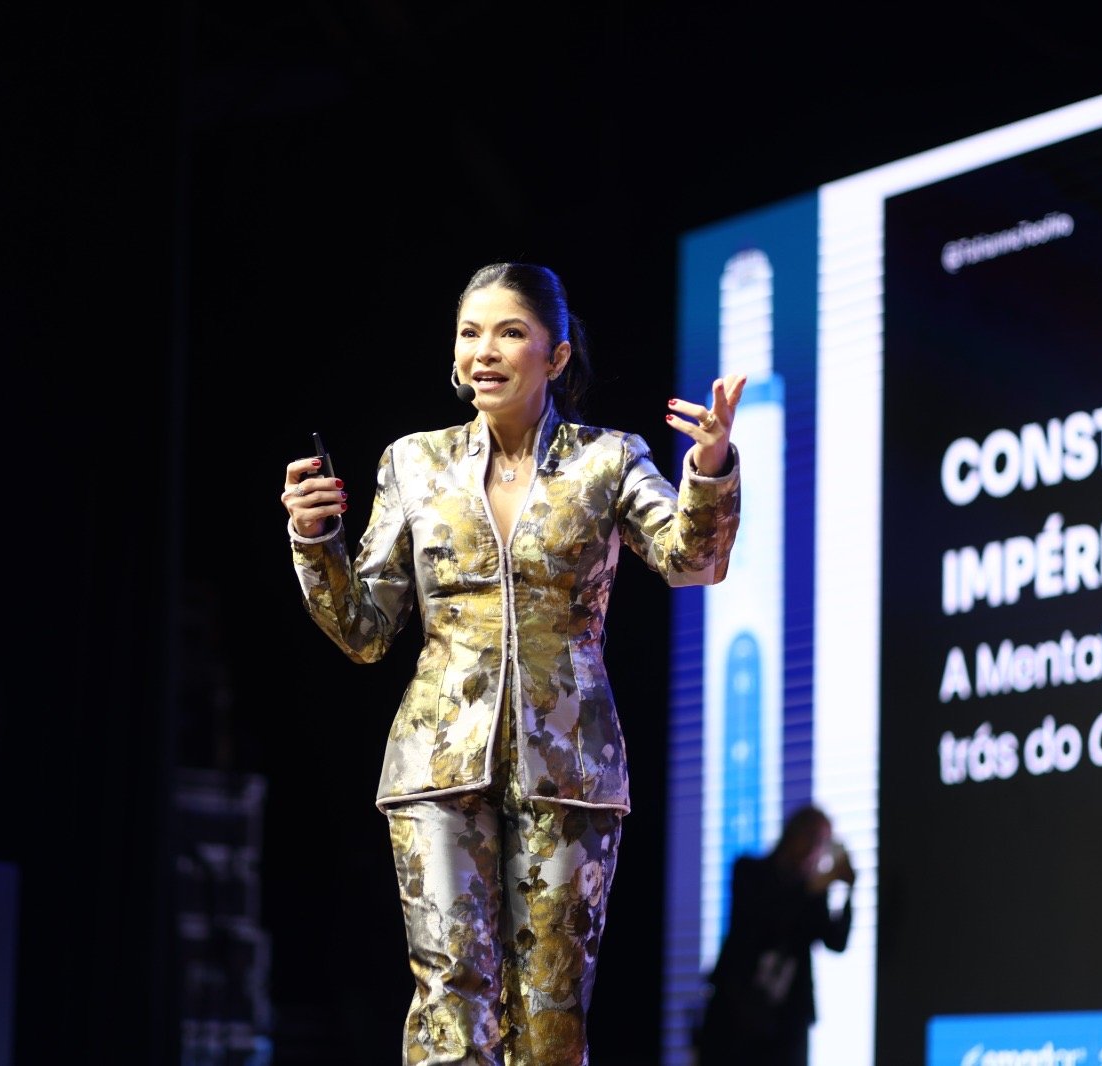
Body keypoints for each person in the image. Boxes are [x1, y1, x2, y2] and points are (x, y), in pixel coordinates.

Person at [280, 261, 746, 1064]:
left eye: (510, 332)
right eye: (470, 333)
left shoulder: (607, 460)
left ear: (556, 356)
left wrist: (708, 469)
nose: (484, 351)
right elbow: (363, 630)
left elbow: (693, 562)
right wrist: (316, 540)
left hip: (570, 765)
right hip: (438, 763)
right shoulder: (414, 464)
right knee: (449, 1003)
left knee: (549, 1017)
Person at [694, 804, 856, 1066]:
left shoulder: (813, 893)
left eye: (823, 844)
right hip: (735, 1012)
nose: (815, 850)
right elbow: (767, 917)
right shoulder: (750, 871)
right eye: (813, 839)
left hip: (787, 1024)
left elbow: (835, 941)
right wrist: (818, 885)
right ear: (793, 834)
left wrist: (848, 892)